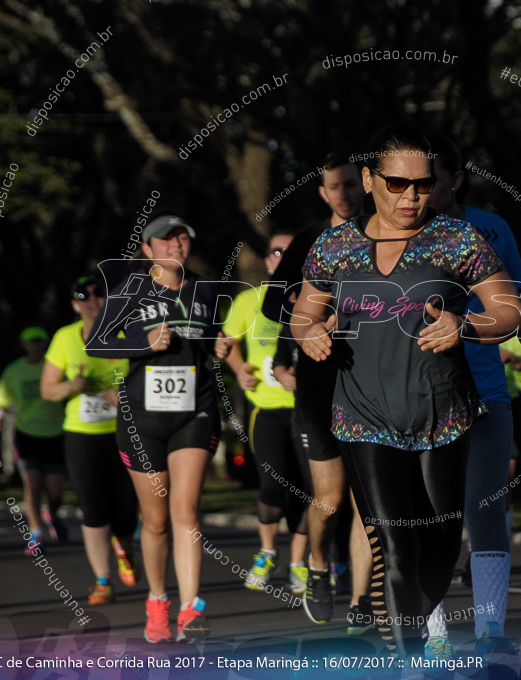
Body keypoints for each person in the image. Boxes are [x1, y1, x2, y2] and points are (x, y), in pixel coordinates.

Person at [292, 126, 521, 656]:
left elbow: (508, 311)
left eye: (422, 184)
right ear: (370, 180)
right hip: (362, 416)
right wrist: (310, 333)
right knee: (397, 548)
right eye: (397, 184)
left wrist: (465, 326)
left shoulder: (457, 240)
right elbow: (305, 311)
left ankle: (409, 631)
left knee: (439, 549)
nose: (411, 197)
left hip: (444, 413)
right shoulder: (336, 246)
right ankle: (407, 662)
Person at [426, 136, 521, 655]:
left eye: (431, 179)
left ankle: (491, 631)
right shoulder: (394, 237)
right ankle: (433, 633)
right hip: (421, 399)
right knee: (432, 516)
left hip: (485, 392)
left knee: (485, 510)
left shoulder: (492, 229)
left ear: (456, 179)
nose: (419, 191)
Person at [86, 215, 232, 644]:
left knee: (184, 510)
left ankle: (191, 608)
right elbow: (98, 342)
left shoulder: (205, 290)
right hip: (142, 419)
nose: (176, 245)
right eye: (165, 239)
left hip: (195, 410)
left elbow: (210, 342)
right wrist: (143, 344)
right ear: (148, 250)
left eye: (183, 238)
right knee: (155, 521)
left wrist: (220, 346)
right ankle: (157, 600)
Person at [260, 152, 374, 631]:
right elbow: (272, 305)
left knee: (367, 504)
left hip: (372, 386)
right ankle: (320, 568)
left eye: (351, 184)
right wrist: (309, 323)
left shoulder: (384, 237)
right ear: (323, 192)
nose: (344, 194)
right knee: (329, 498)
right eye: (335, 187)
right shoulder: (309, 241)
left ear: (365, 185)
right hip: (319, 388)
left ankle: (362, 601)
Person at [223, 233, 311, 598]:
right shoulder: (249, 300)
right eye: (277, 252)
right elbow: (227, 344)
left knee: (309, 491)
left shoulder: (314, 298)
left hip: (306, 411)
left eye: (291, 252)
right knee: (272, 485)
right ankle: (268, 552)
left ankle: (299, 564)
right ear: (268, 260)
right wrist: (239, 366)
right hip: (266, 410)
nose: (283, 257)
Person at [41, 275, 138, 606]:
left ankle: (124, 548)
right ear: (74, 303)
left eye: (100, 293)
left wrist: (123, 393)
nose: (93, 299)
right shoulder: (65, 338)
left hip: (126, 434)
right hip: (82, 436)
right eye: (85, 295)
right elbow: (47, 389)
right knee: (93, 509)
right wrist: (72, 386)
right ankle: (102, 580)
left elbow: (148, 376)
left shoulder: (127, 331)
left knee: (126, 510)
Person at [0, 327, 67, 554]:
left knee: (56, 493)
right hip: (26, 434)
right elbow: (1, 400)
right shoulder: (15, 370)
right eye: (31, 342)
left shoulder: (53, 366)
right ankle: (36, 532)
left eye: (39, 342)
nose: (35, 346)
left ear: (45, 344)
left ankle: (51, 513)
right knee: (32, 486)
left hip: (54, 433)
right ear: (23, 344)